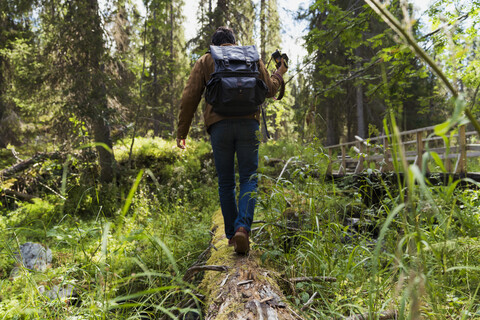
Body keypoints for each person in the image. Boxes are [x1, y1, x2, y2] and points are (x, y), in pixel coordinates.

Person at [176, 26, 287, 254]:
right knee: (248, 177)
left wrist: (182, 132)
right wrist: (280, 73)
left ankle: (230, 236)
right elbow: (269, 89)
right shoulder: (251, 57)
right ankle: (243, 229)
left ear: (215, 45)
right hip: (248, 124)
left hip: (220, 126)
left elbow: (189, 97)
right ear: (234, 43)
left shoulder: (206, 60)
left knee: (226, 182)